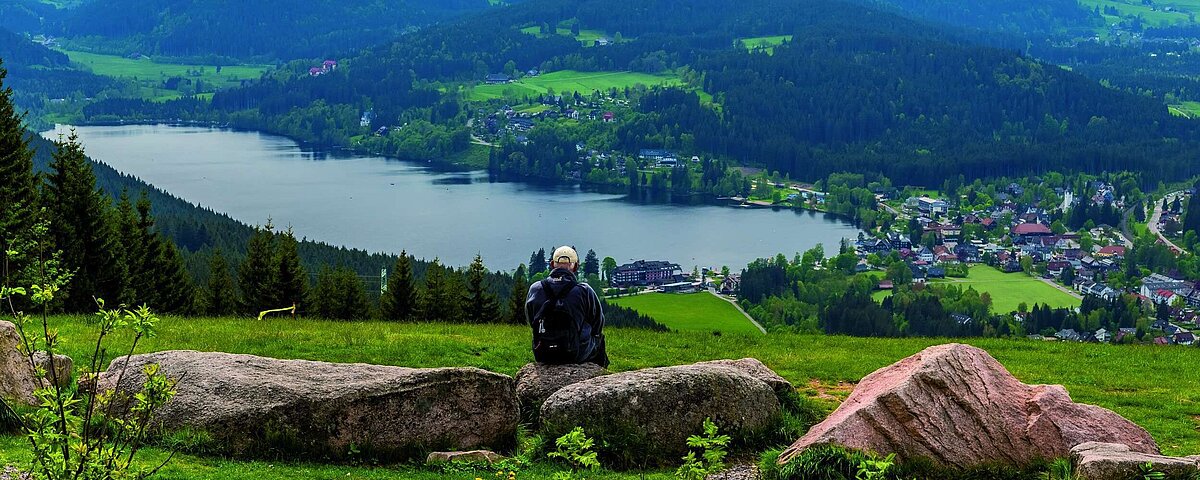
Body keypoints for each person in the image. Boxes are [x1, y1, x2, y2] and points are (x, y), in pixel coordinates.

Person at [525, 246, 608, 367]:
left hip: (542, 353)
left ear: (553, 264)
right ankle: (598, 376)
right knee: (598, 339)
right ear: (575, 266)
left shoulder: (535, 288)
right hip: (575, 354)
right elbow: (598, 323)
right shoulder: (584, 290)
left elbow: (531, 319)